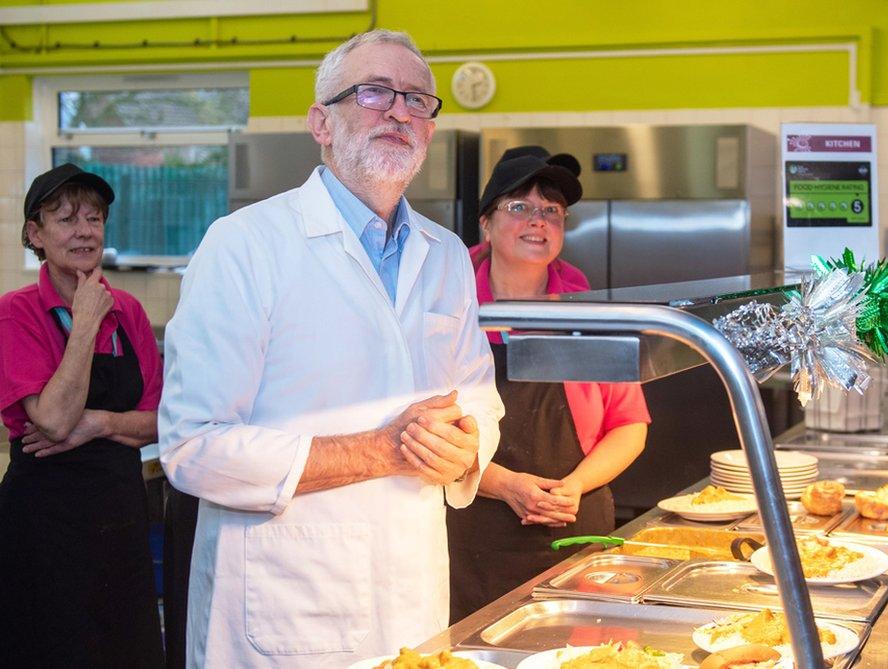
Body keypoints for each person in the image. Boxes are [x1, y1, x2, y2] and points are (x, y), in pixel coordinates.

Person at [157, 29, 503, 668]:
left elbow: (479, 394)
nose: (399, 111)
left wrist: (468, 445)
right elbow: (193, 447)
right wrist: (381, 449)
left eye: (418, 100)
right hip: (284, 616)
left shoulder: (447, 254)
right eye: (374, 92)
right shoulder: (245, 245)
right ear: (321, 122)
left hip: (414, 599)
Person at [447, 147, 651, 622]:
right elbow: (426, 430)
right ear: (486, 223)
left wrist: (574, 486)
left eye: (551, 211)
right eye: (519, 206)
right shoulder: (452, 312)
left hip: (575, 524)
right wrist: (504, 483)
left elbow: (630, 424)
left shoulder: (587, 313)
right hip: (473, 534)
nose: (537, 220)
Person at [0, 163, 165, 668]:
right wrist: (86, 322)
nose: (85, 231)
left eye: (94, 219)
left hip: (119, 518)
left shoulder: (131, 311)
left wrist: (101, 423)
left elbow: (161, 419)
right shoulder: (16, 313)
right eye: (67, 219)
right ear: (35, 234)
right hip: (42, 527)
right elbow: (51, 419)